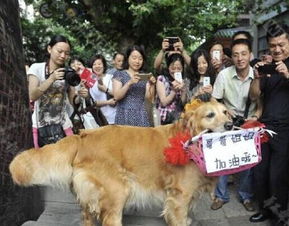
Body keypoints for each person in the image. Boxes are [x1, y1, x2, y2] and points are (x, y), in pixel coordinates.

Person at [249, 23, 289, 225]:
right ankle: (265, 210)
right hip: (264, 128)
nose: (277, 49)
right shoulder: (268, 68)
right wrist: (256, 78)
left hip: (285, 129)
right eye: (273, 45)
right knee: (261, 173)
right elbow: (254, 95)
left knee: (278, 176)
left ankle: (280, 216)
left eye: (281, 44)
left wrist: (287, 74)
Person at [211, 39, 257, 212]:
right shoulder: (224, 75)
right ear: (231, 57)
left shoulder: (256, 74)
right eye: (236, 55)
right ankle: (221, 196)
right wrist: (225, 111)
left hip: (249, 122)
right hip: (228, 121)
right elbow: (214, 99)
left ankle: (246, 196)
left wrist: (254, 117)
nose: (240, 58)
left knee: (247, 160)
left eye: (244, 54)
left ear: (250, 55)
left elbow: (261, 102)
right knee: (222, 159)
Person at [27, 35, 88, 148]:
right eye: (60, 51)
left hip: (63, 126)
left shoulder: (68, 73)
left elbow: (72, 101)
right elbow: (32, 95)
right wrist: (51, 78)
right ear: (49, 49)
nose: (63, 56)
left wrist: (81, 96)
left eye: (67, 53)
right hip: (39, 125)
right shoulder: (37, 68)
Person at [112, 45, 156, 127]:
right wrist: (129, 83)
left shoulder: (145, 76)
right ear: (128, 58)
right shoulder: (119, 74)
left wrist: (152, 85)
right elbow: (116, 96)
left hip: (141, 114)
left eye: (140, 58)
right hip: (124, 114)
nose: (137, 61)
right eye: (134, 58)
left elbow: (149, 98)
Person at [156, 53, 187, 125]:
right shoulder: (161, 79)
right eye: (173, 68)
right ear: (168, 67)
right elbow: (163, 102)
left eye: (179, 69)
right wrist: (174, 91)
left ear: (182, 69)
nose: (176, 71)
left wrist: (183, 90)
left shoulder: (183, 81)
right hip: (164, 119)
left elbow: (182, 103)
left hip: (178, 119)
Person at [89, 54, 117, 124]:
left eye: (99, 64)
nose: (97, 66)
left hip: (115, 118)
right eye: (94, 64)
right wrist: (108, 102)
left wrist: (106, 90)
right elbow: (93, 103)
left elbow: (118, 95)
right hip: (101, 119)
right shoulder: (91, 81)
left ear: (104, 65)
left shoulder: (112, 77)